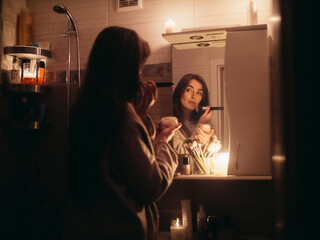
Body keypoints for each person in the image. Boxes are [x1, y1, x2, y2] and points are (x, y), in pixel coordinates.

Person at [63, 26, 181, 240]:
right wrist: (163, 141)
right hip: (119, 230)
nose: (139, 77)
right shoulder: (121, 115)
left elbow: (118, 161)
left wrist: (142, 114)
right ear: (125, 69)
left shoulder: (85, 109)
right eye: (139, 69)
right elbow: (151, 186)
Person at [171, 73, 215, 156]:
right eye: (189, 90)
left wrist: (209, 144)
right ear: (179, 92)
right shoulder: (171, 125)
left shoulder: (206, 125)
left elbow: (211, 156)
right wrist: (199, 126)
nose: (194, 96)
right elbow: (180, 157)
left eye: (199, 93)